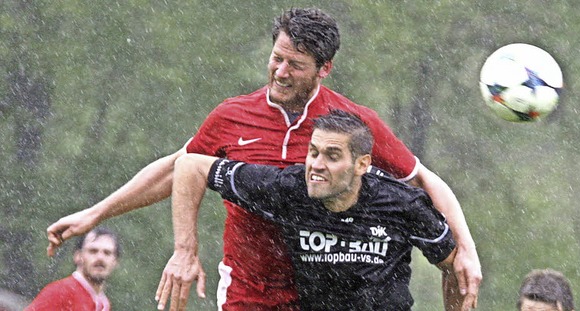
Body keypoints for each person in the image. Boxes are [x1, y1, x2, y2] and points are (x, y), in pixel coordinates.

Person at [46, 7, 481, 310]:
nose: (279, 71)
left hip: (320, 292)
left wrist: (466, 249)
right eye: (276, 58)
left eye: (295, 65)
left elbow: (422, 180)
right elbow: (181, 167)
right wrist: (98, 214)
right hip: (248, 288)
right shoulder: (234, 114)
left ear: (323, 68)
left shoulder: (349, 125)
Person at [157, 110, 477, 310]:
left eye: (332, 156)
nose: (316, 165)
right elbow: (190, 167)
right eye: (313, 152)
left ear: (362, 164)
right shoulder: (290, 189)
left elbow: (453, 266)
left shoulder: (403, 203)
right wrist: (185, 251)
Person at [27, 227, 120, 311]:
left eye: (107, 253)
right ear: (78, 256)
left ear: (115, 261)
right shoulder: (59, 292)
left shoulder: (104, 304)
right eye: (93, 251)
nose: (100, 257)